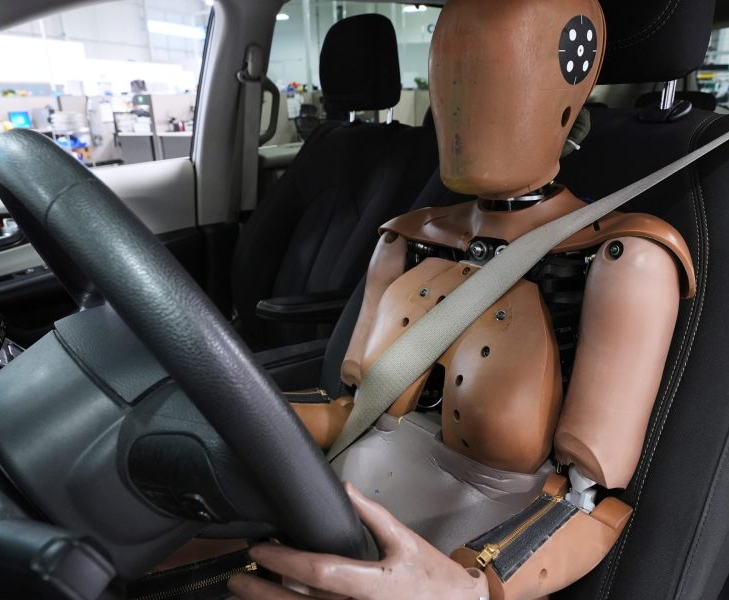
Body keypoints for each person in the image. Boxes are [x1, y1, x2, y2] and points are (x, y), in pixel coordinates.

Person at [229, 0, 694, 597]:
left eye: (493, 75)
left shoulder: (620, 257)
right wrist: (232, 419)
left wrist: (470, 588)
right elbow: (353, 409)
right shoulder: (407, 237)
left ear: (567, 90)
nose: (462, 107)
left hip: (468, 555)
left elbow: (587, 498)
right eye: (452, 75)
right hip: (325, 517)